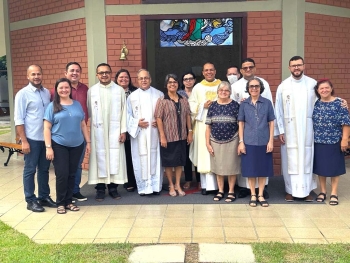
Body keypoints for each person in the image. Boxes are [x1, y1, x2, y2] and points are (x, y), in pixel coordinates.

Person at [44, 78, 90, 214]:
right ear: (56, 90)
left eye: (66, 87)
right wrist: (48, 147)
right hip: (59, 145)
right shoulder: (52, 106)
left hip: (77, 145)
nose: (64, 90)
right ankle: (61, 202)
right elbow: (46, 127)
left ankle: (69, 201)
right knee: (62, 174)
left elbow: (83, 124)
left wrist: (88, 142)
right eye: (61, 88)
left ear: (70, 89)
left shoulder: (77, 105)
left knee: (72, 174)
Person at [14, 65, 56, 212]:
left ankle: (44, 196)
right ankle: (30, 200)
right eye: (33, 74)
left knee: (44, 169)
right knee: (30, 169)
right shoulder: (22, 94)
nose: (36, 76)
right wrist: (24, 140)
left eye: (38, 74)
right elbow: (19, 119)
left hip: (46, 139)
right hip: (31, 138)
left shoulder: (46, 93)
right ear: (28, 76)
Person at [275, 56, 317, 202]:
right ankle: (290, 190)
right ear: (289, 68)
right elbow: (278, 110)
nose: (296, 68)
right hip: (289, 130)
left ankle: (307, 191)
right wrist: (280, 130)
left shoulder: (312, 84)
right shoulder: (283, 86)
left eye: (299, 65)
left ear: (304, 66)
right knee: (290, 159)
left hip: (308, 128)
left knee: (307, 157)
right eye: (293, 66)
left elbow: (322, 103)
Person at [230, 58, 273, 198]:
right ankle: (244, 188)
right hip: (247, 131)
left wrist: (272, 138)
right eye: (245, 68)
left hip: (262, 133)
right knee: (248, 165)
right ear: (241, 70)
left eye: (250, 67)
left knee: (261, 165)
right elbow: (232, 105)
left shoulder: (263, 83)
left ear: (254, 68)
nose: (248, 70)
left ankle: (261, 190)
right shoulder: (236, 86)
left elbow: (269, 112)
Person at [87, 63, 127, 201]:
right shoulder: (92, 91)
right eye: (101, 72)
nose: (104, 75)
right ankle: (100, 189)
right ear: (97, 75)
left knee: (114, 157)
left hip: (115, 131)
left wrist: (123, 131)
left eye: (107, 72)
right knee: (99, 158)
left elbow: (124, 112)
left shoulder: (119, 90)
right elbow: (89, 111)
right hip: (98, 132)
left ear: (111, 73)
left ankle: (113, 188)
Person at [238, 78, 275, 207]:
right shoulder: (244, 104)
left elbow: (271, 122)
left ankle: (260, 195)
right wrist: (241, 142)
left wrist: (271, 140)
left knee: (263, 169)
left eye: (256, 86)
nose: (254, 88)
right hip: (248, 141)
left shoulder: (267, 103)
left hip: (264, 141)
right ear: (248, 89)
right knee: (251, 170)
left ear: (261, 88)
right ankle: (253, 194)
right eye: (251, 86)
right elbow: (241, 123)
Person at [312, 79, 350, 205]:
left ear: (331, 88)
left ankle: (334, 192)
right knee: (321, 168)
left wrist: (345, 140)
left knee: (335, 168)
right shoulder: (316, 103)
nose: (324, 90)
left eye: (327, 88)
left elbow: (346, 123)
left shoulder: (339, 103)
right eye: (321, 88)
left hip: (335, 140)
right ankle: (322, 191)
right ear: (318, 91)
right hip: (319, 140)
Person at [127, 69, 164, 196]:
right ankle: (143, 187)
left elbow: (165, 114)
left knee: (155, 156)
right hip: (140, 133)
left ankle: (155, 186)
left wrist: (160, 123)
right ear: (137, 80)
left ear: (150, 79)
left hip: (154, 132)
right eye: (141, 78)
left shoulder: (159, 94)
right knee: (141, 156)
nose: (144, 80)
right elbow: (127, 116)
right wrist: (137, 123)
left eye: (146, 78)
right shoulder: (132, 97)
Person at [155, 74, 193, 197]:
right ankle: (171, 185)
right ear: (166, 85)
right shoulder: (162, 100)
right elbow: (158, 118)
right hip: (168, 136)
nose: (173, 84)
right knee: (169, 162)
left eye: (175, 82)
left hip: (181, 136)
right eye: (170, 82)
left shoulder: (183, 99)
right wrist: (162, 136)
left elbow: (188, 115)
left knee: (179, 162)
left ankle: (178, 184)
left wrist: (190, 132)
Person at [189, 62, 220, 195]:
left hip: (218, 125)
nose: (209, 72)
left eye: (211, 70)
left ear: (215, 71)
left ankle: (219, 185)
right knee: (204, 154)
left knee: (218, 153)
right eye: (206, 70)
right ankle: (206, 186)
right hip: (202, 125)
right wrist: (203, 105)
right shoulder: (198, 87)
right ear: (202, 72)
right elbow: (191, 105)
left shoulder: (222, 85)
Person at [205, 81, 240, 202]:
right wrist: (207, 143)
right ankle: (220, 190)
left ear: (230, 92)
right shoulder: (213, 106)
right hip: (215, 140)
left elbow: (240, 125)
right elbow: (208, 126)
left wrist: (241, 142)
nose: (223, 92)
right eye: (221, 90)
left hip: (232, 140)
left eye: (226, 90)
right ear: (217, 92)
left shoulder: (236, 105)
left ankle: (231, 191)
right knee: (218, 167)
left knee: (231, 166)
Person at [62, 62, 89, 202]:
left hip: (80, 134)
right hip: (62, 135)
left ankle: (75, 191)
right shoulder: (59, 89)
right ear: (65, 72)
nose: (74, 73)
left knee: (77, 165)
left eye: (77, 71)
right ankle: (64, 194)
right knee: (64, 167)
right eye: (71, 70)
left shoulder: (85, 89)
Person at [115, 69, 137, 192]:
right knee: (119, 156)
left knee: (130, 156)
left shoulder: (134, 92)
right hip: (117, 129)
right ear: (116, 79)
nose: (124, 79)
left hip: (133, 130)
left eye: (126, 77)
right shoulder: (113, 93)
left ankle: (132, 181)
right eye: (121, 77)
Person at [177, 71, 200, 190]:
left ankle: (200, 180)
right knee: (186, 155)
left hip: (199, 125)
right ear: (183, 81)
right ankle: (188, 180)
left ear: (195, 80)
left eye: (191, 78)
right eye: (186, 79)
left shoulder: (200, 91)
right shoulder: (179, 94)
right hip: (184, 128)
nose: (188, 81)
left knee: (198, 153)